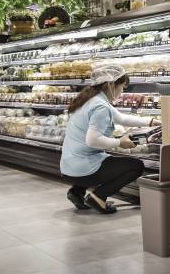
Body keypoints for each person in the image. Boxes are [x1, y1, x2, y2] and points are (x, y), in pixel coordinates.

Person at [60, 64, 161, 214]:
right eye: (122, 87)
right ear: (110, 84)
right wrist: (120, 142)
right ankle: (98, 197)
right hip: (83, 169)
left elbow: (121, 118)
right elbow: (92, 140)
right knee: (136, 166)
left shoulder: (91, 99)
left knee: (103, 157)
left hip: (68, 167)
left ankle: (76, 192)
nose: (122, 92)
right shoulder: (100, 106)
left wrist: (149, 121)